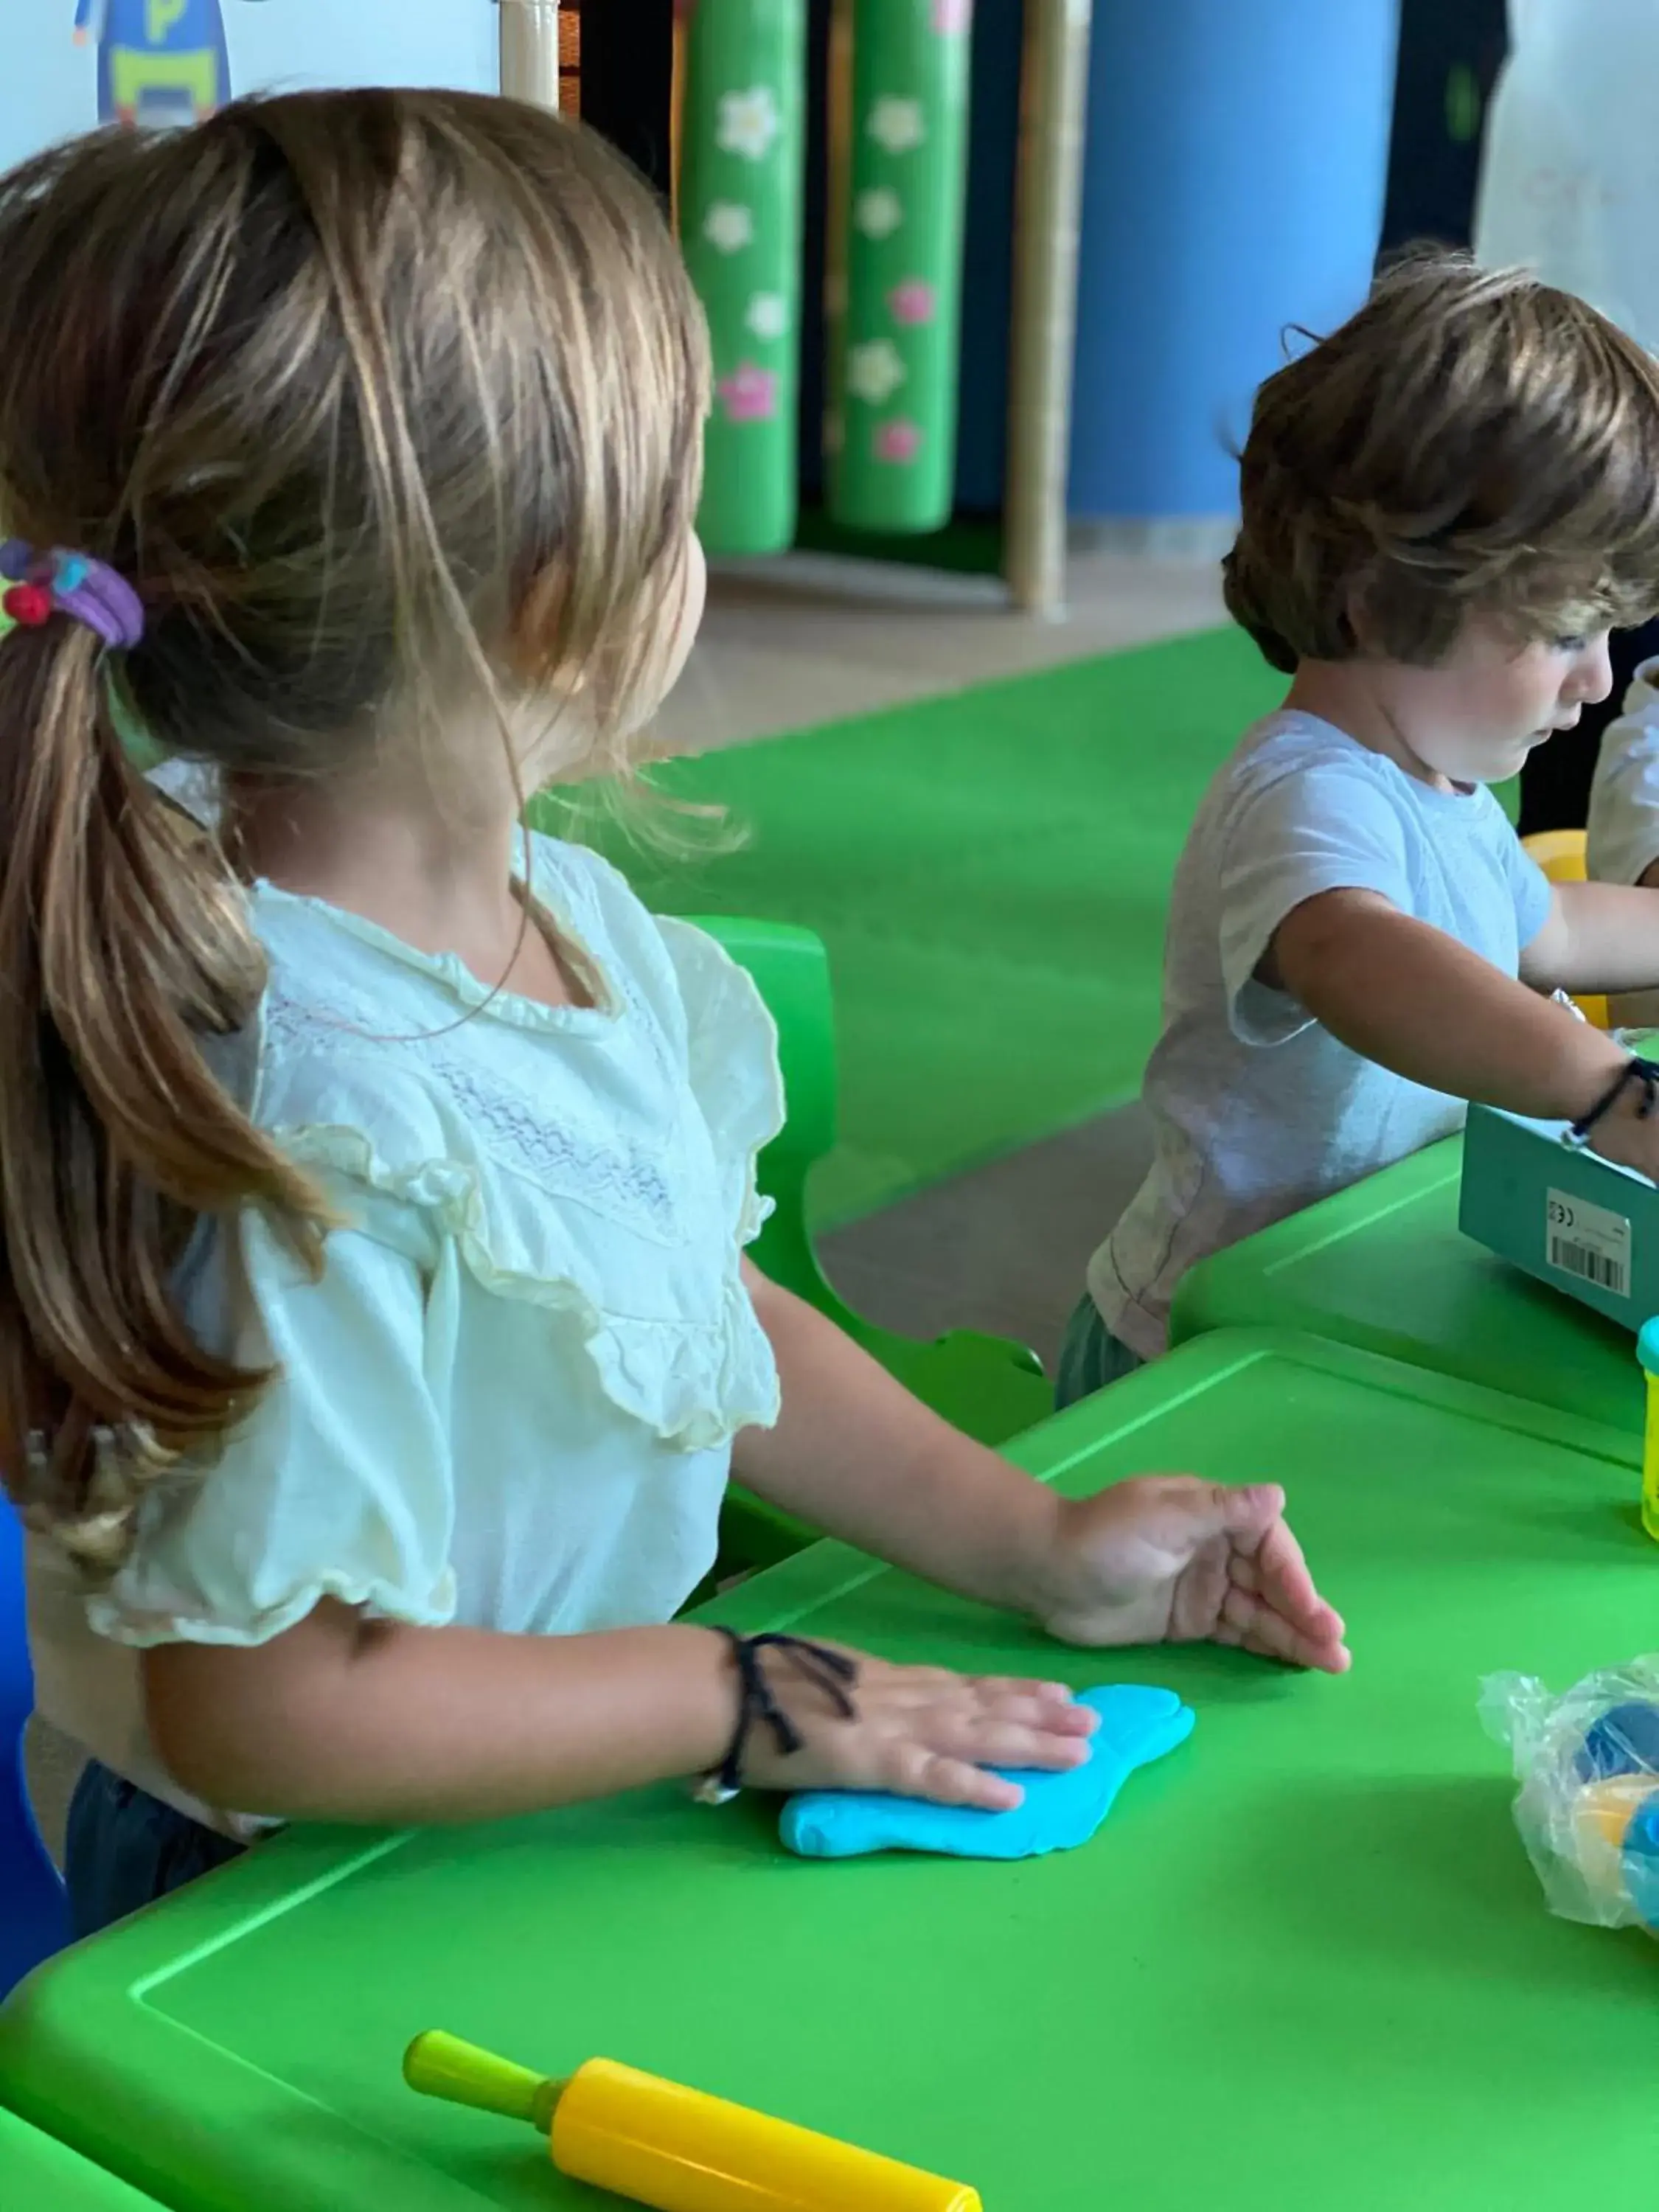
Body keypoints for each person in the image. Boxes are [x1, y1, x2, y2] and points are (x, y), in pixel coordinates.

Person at [0, 91, 1349, 1939]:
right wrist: (737, 1690)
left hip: (543, 1809)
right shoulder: (308, 1099)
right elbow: (266, 1701)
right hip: (281, 1905)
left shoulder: (563, 924)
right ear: (564, 603)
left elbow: (680, 1311)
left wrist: (1031, 1542)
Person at [1062, 252, 1659, 1403]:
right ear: (1381, 597)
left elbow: (1554, 927)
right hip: (1190, 1355)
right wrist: (1603, 1086)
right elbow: (1359, 956)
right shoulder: (1304, 791)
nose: (1594, 682)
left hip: (1348, 1302)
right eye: (1563, 633)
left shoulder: (1442, 791)